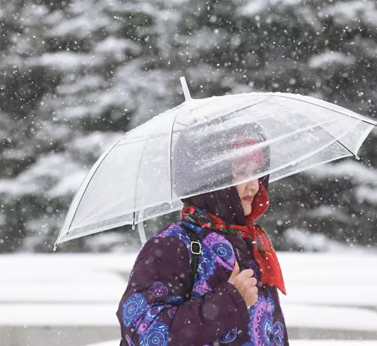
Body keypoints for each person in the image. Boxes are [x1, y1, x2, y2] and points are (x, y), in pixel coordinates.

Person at [116, 129, 288, 346]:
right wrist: (229, 300)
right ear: (210, 177)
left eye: (258, 172)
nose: (254, 185)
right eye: (242, 171)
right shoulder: (174, 244)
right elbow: (144, 334)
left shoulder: (250, 242)